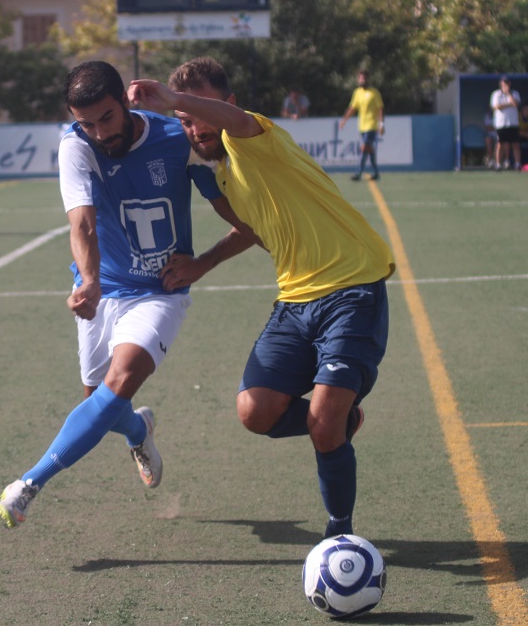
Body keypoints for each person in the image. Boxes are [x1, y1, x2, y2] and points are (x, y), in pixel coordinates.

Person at [128, 56, 395, 539]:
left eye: (202, 111)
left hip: (352, 286)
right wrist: (203, 263)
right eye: (185, 121)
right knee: (255, 412)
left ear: (229, 104)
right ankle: (343, 419)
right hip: (294, 300)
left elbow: (233, 122)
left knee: (323, 425)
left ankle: (340, 538)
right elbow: (251, 229)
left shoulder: (254, 135)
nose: (195, 126)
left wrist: (174, 100)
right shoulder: (222, 174)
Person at [0, 60, 253, 529]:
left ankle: (29, 484)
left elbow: (248, 223)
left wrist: (203, 263)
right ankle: (139, 429)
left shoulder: (176, 139)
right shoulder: (76, 145)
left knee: (121, 381)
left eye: (107, 118)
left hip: (160, 291)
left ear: (125, 103)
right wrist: (90, 281)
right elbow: (82, 224)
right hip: (104, 289)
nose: (99, 132)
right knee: (104, 405)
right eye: (87, 123)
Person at [339, 70, 384, 181]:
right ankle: (376, 172)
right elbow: (352, 108)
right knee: (369, 149)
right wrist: (344, 120)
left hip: (371, 125)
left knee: (364, 147)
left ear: (368, 79)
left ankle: (358, 173)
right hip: (362, 126)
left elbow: (380, 108)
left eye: (364, 78)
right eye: (360, 78)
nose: (362, 80)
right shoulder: (357, 93)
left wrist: (381, 124)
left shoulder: (374, 93)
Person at [489, 76, 521, 170]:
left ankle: (517, 164)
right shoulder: (496, 94)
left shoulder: (515, 93)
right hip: (501, 124)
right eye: (503, 84)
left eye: (506, 83)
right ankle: (498, 164)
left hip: (513, 123)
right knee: (500, 143)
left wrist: (508, 94)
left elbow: (515, 103)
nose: (505, 85)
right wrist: (508, 104)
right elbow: (496, 106)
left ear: (509, 84)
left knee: (515, 143)